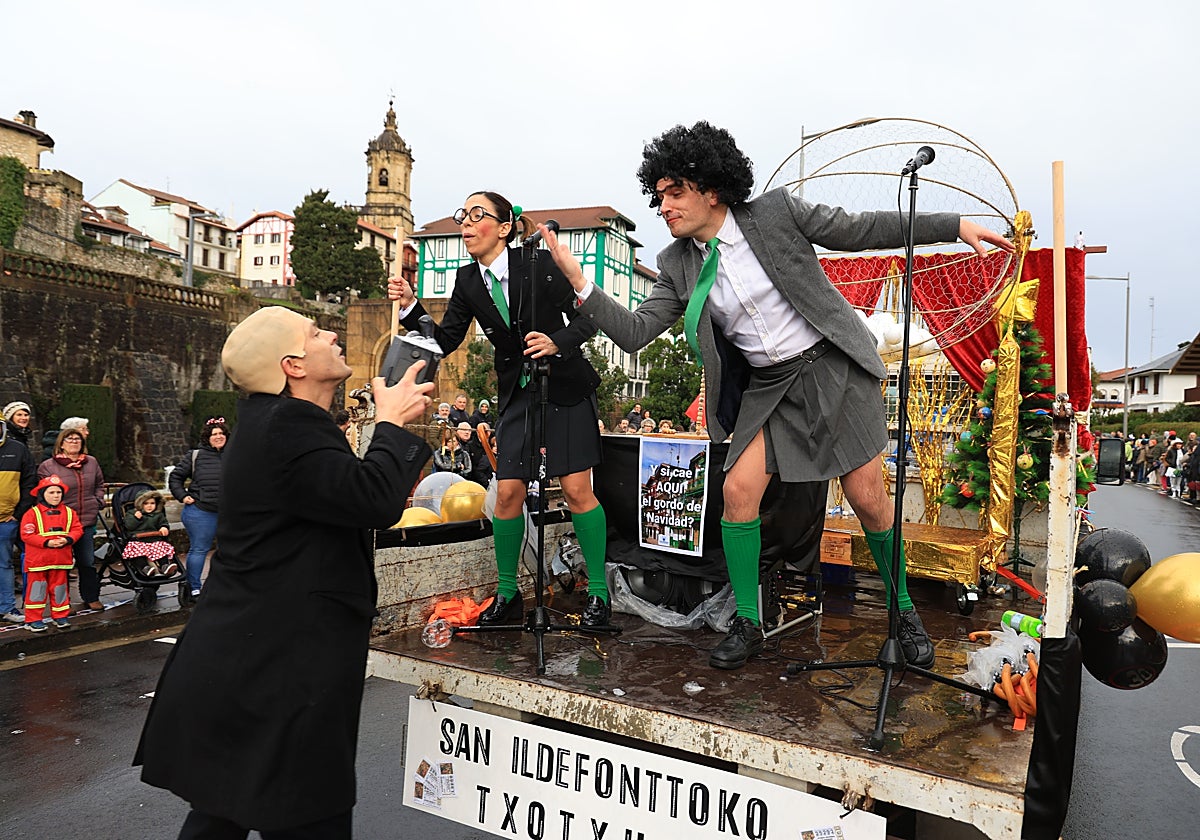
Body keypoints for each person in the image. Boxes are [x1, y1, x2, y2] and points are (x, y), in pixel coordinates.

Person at [541, 121, 1013, 670]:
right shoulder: (676, 263)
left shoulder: (775, 214)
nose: (663, 207)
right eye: (658, 196)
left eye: (674, 192)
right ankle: (748, 621)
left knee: (868, 499)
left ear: (710, 187)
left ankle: (900, 607)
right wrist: (580, 283)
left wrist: (952, 225)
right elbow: (635, 331)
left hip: (832, 368)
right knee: (738, 491)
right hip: (769, 387)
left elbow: (860, 229)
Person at [136, 305, 434, 839]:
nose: (333, 334)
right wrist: (390, 423)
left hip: (248, 656)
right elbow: (371, 499)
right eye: (317, 333)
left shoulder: (272, 422)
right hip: (280, 668)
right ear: (292, 364)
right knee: (298, 811)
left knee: (224, 809)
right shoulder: (288, 427)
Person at [387, 190, 613, 629]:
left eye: (477, 215)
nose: (466, 224)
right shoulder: (468, 280)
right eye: (463, 216)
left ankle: (599, 596)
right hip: (517, 394)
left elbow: (590, 318)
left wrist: (556, 342)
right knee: (507, 492)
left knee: (575, 490)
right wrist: (411, 306)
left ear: (505, 228)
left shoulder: (541, 265)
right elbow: (444, 340)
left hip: (565, 385)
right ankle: (508, 594)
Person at [38, 427, 106, 612]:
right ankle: (61, 602)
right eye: (69, 439)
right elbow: (43, 494)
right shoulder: (48, 466)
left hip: (85, 520)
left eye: (77, 439)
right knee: (61, 565)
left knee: (87, 561)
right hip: (60, 523)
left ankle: (91, 597)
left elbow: (99, 484)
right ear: (61, 443)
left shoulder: (91, 462)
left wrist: (98, 500)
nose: (74, 442)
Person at [169, 418, 228, 603]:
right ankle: (194, 588)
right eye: (214, 434)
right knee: (199, 550)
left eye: (221, 433)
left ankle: (224, 586)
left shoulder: (235, 454)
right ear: (207, 438)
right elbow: (175, 477)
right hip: (201, 512)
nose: (218, 437)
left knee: (229, 551)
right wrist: (183, 496)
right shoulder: (196, 455)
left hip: (229, 512)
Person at [19, 474, 82, 631]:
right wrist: (46, 542)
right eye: (51, 492)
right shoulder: (32, 513)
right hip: (38, 562)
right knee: (37, 591)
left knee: (60, 589)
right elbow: (26, 535)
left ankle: (60, 616)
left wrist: (68, 540)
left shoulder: (69, 512)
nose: (55, 496)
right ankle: (33, 619)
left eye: (58, 492)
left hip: (60, 559)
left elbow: (77, 529)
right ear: (42, 494)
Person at [1, 423, 38, 624]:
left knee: (4, 565)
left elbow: (29, 482)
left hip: (8, 519)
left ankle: (6, 607)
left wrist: (18, 513)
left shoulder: (17, 449)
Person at [121, 489, 179, 577]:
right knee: (137, 553)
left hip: (154, 540)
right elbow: (129, 526)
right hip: (138, 541)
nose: (149, 506)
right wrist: (136, 519)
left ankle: (165, 566)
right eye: (146, 503)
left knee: (161, 549)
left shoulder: (158, 514)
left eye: (152, 503)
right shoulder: (132, 513)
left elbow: (163, 523)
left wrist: (164, 527)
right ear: (140, 504)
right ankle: (145, 568)